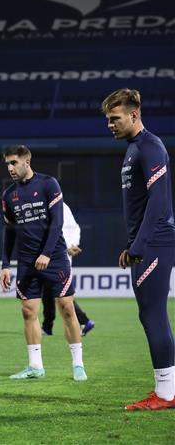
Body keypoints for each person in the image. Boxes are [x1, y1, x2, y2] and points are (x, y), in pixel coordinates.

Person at [102, 88, 175, 410]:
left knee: (153, 313)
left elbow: (159, 200)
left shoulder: (150, 147)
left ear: (134, 115)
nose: (110, 125)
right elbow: (142, 204)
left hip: (156, 241)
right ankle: (167, 390)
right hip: (148, 241)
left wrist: (141, 244)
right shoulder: (134, 149)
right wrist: (132, 243)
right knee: (151, 314)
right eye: (108, 120)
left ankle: (165, 394)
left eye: (115, 119)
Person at [0, 145, 87, 383]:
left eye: (14, 163)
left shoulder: (49, 184)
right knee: (28, 312)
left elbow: (57, 221)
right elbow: (9, 232)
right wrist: (6, 264)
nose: (10, 168)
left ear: (27, 162)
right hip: (26, 262)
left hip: (55, 257)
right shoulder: (9, 195)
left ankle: (78, 364)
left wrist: (47, 253)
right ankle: (35, 366)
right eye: (7, 163)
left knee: (67, 308)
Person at [41, 202, 95, 337]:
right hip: (46, 255)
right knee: (48, 291)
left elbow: (74, 228)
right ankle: (47, 326)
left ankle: (84, 321)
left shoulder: (61, 206)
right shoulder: (41, 204)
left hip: (60, 257)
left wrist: (73, 245)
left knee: (62, 296)